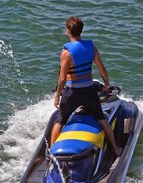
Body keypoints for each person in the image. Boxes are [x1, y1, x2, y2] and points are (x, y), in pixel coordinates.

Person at [51, 16, 121, 156]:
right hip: (89, 91)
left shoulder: (66, 52)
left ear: (68, 31)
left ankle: (51, 153)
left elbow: (62, 78)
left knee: (60, 120)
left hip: (72, 93)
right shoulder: (91, 47)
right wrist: (106, 84)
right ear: (81, 31)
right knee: (101, 119)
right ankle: (116, 149)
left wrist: (57, 96)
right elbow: (102, 68)